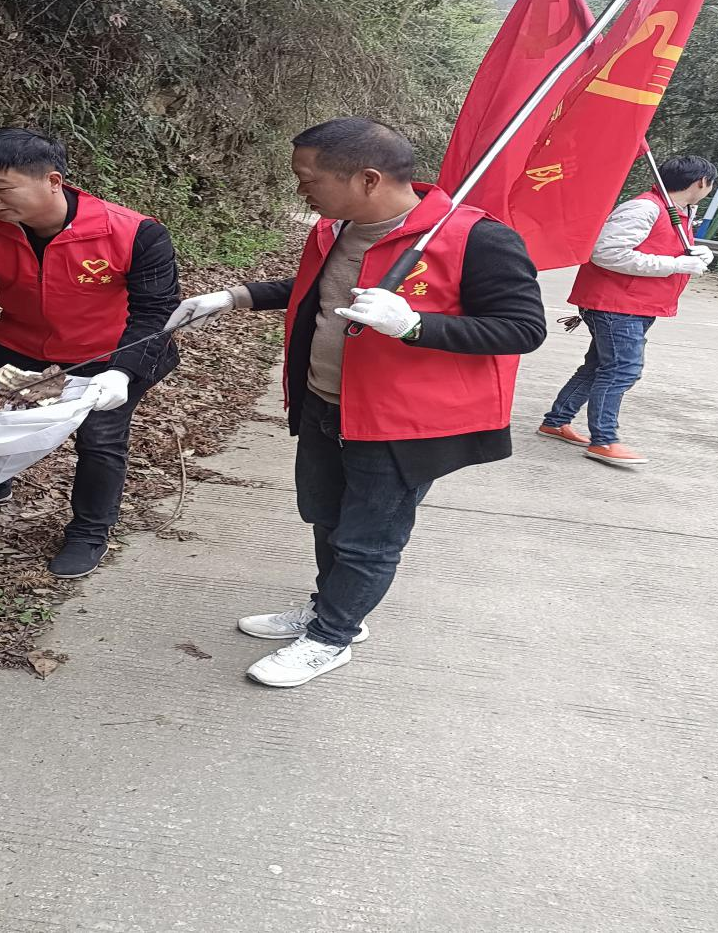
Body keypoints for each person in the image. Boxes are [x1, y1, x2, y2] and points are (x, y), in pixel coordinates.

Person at [167, 117, 548, 689]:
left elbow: (522, 328)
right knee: (326, 517)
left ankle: (332, 637)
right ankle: (332, 609)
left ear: (368, 179)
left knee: (368, 538)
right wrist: (235, 296)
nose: (301, 190)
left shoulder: (476, 239)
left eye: (308, 179)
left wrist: (416, 325)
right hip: (326, 403)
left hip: (402, 424)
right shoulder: (337, 229)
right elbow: (317, 291)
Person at [0, 127, 180, 577]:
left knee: (100, 438)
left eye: (1, 188)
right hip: (22, 343)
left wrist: (122, 372)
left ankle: (90, 531)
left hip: (108, 352)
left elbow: (156, 311)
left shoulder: (133, 232)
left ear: (53, 181)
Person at [537, 156, 717, 467]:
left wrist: (696, 254)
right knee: (623, 369)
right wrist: (675, 264)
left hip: (635, 302)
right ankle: (604, 439)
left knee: (598, 366)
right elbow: (607, 253)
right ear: (702, 182)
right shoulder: (644, 208)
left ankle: (556, 420)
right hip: (617, 304)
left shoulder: (678, 212)